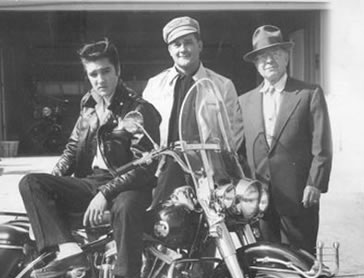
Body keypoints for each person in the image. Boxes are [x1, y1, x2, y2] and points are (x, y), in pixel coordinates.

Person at [19, 39, 161, 278]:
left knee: (126, 204)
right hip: (92, 181)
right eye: (93, 74)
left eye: (105, 71)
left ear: (118, 70)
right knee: (31, 183)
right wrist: (54, 180)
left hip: (128, 183)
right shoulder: (88, 105)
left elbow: (145, 165)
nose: (100, 79)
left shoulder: (138, 109)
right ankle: (70, 251)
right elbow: (72, 149)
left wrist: (105, 194)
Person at [235, 25, 333, 254]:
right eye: (261, 56)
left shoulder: (309, 94)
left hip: (299, 195)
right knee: (267, 258)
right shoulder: (244, 101)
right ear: (256, 64)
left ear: (286, 57)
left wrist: (315, 183)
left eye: (275, 53)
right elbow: (237, 150)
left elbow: (322, 146)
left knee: (301, 257)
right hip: (260, 200)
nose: (268, 60)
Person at [142, 16, 243, 205]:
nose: (182, 49)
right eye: (176, 44)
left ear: (200, 45)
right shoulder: (154, 86)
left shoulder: (222, 85)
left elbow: (234, 135)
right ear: (170, 50)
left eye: (188, 42)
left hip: (210, 171)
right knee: (161, 222)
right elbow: (144, 131)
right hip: (167, 169)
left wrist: (218, 163)